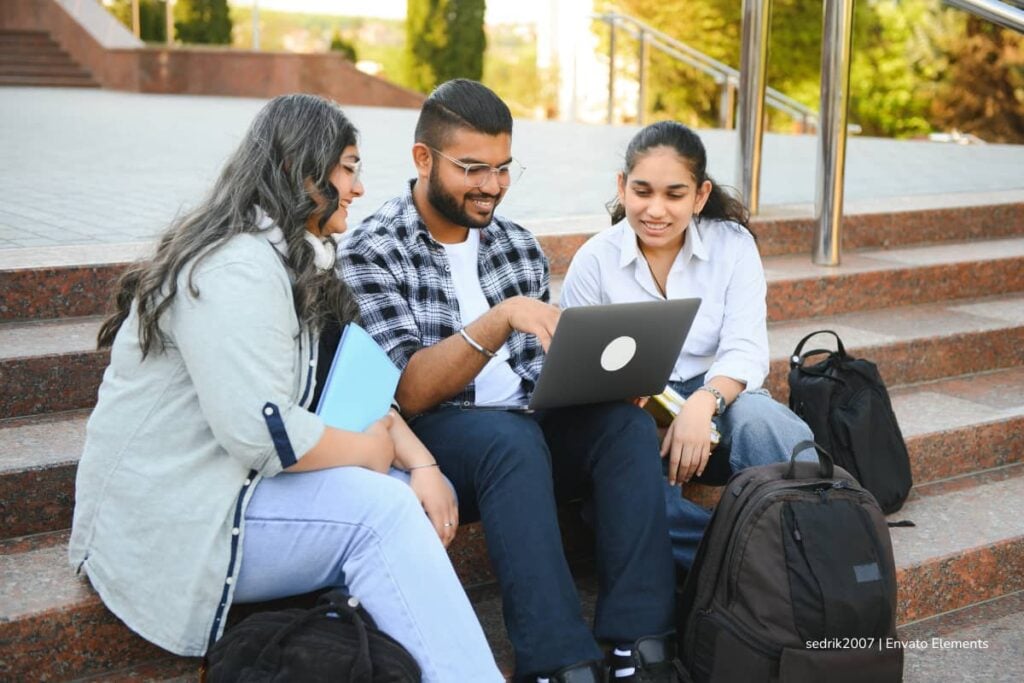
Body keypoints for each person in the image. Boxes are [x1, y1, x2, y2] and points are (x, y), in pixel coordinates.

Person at [67, 93, 502, 682]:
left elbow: (345, 383)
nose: (358, 188)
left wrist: (419, 461)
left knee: (396, 494)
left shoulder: (284, 257)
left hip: (229, 489)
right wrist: (369, 453)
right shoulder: (236, 269)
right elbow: (261, 433)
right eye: (349, 168)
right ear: (305, 172)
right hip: (173, 519)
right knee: (382, 512)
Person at [338, 80, 680, 683]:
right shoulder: (372, 250)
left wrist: (600, 383)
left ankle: (641, 644)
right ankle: (558, 662)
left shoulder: (516, 243)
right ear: (423, 159)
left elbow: (539, 375)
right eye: (473, 168)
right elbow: (409, 392)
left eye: (502, 168)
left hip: (526, 426)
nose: (492, 186)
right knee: (509, 441)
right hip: (439, 442)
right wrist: (499, 320)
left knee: (624, 426)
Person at [560, 120, 815, 570]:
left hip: (718, 403)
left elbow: (745, 348)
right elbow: (579, 371)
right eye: (642, 191)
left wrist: (703, 404)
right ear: (622, 187)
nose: (655, 210)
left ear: (699, 196)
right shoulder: (595, 260)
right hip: (634, 410)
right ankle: (743, 560)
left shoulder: (731, 246)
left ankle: (820, 530)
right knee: (622, 500)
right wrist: (641, 416)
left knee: (769, 424)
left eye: (674, 195)